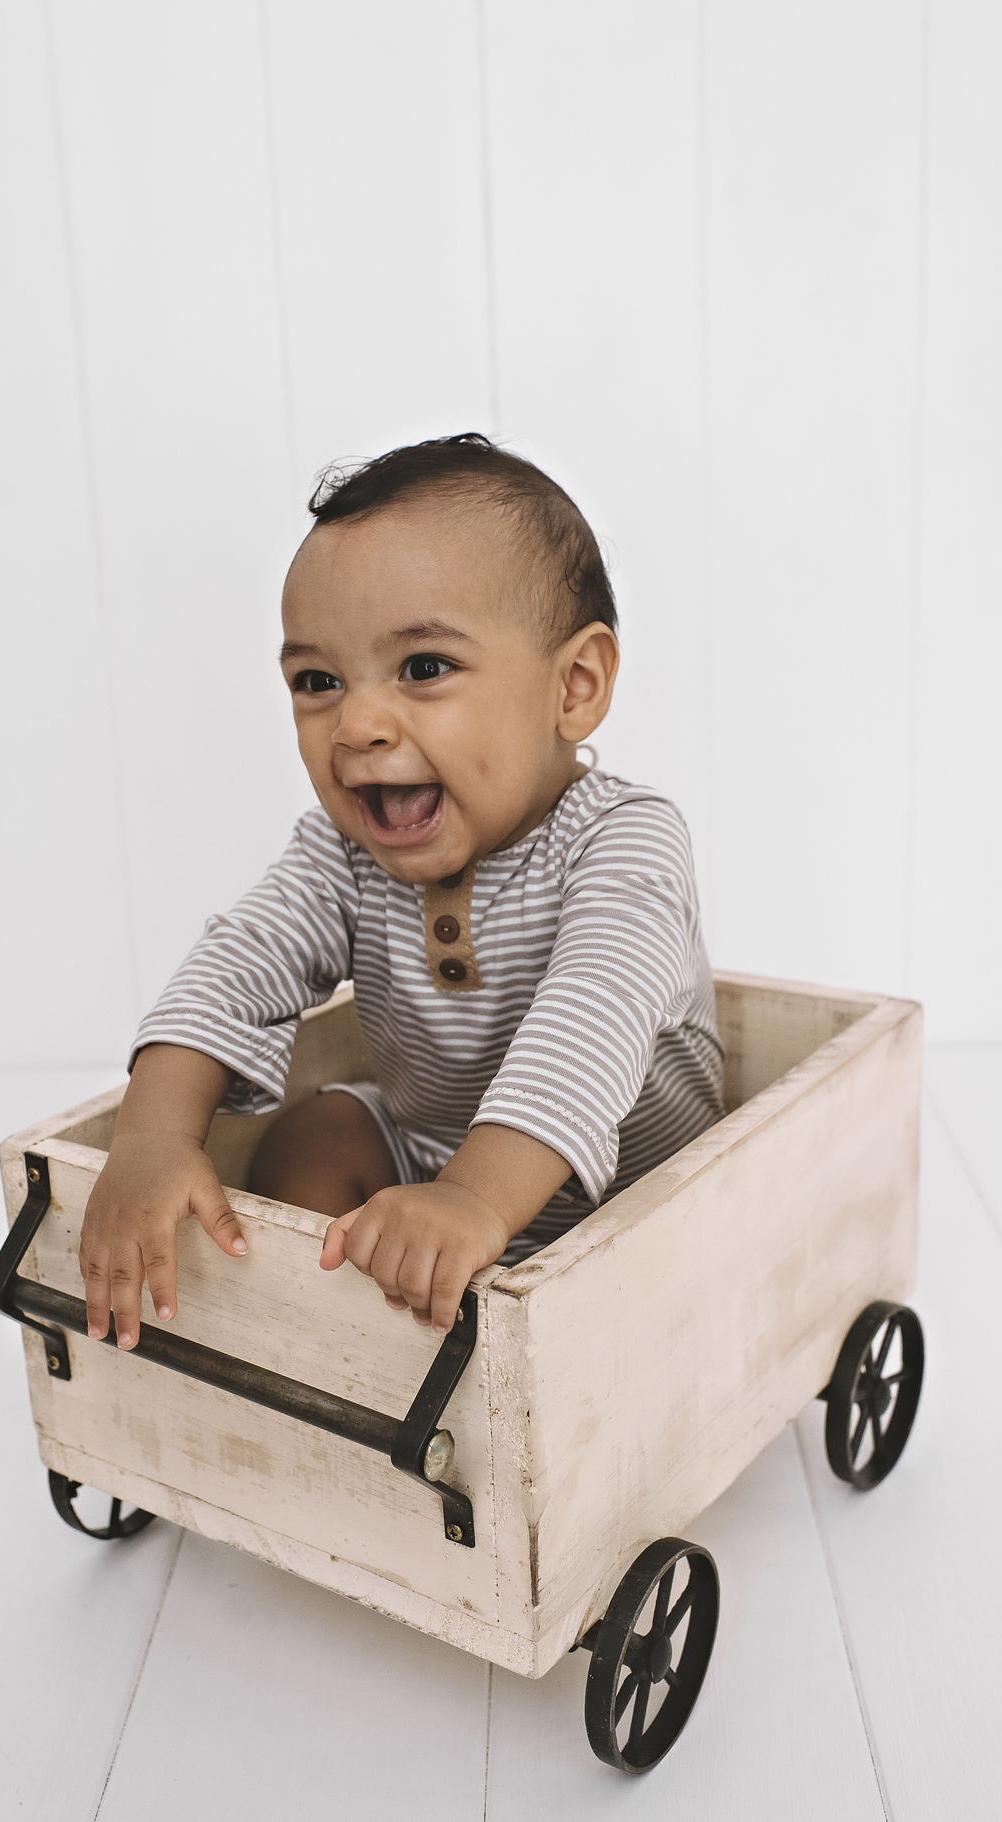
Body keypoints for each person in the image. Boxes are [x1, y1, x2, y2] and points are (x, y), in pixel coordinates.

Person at [79, 433, 724, 1349]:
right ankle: (329, 1347)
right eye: (317, 680)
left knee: (574, 1220)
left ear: (573, 686)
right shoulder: (344, 854)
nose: (358, 723)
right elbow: (238, 962)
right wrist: (151, 1139)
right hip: (431, 1166)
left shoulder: (623, 842)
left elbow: (592, 1016)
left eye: (423, 668)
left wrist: (472, 1198)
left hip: (628, 1190)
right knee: (310, 1135)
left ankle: (427, 1294)